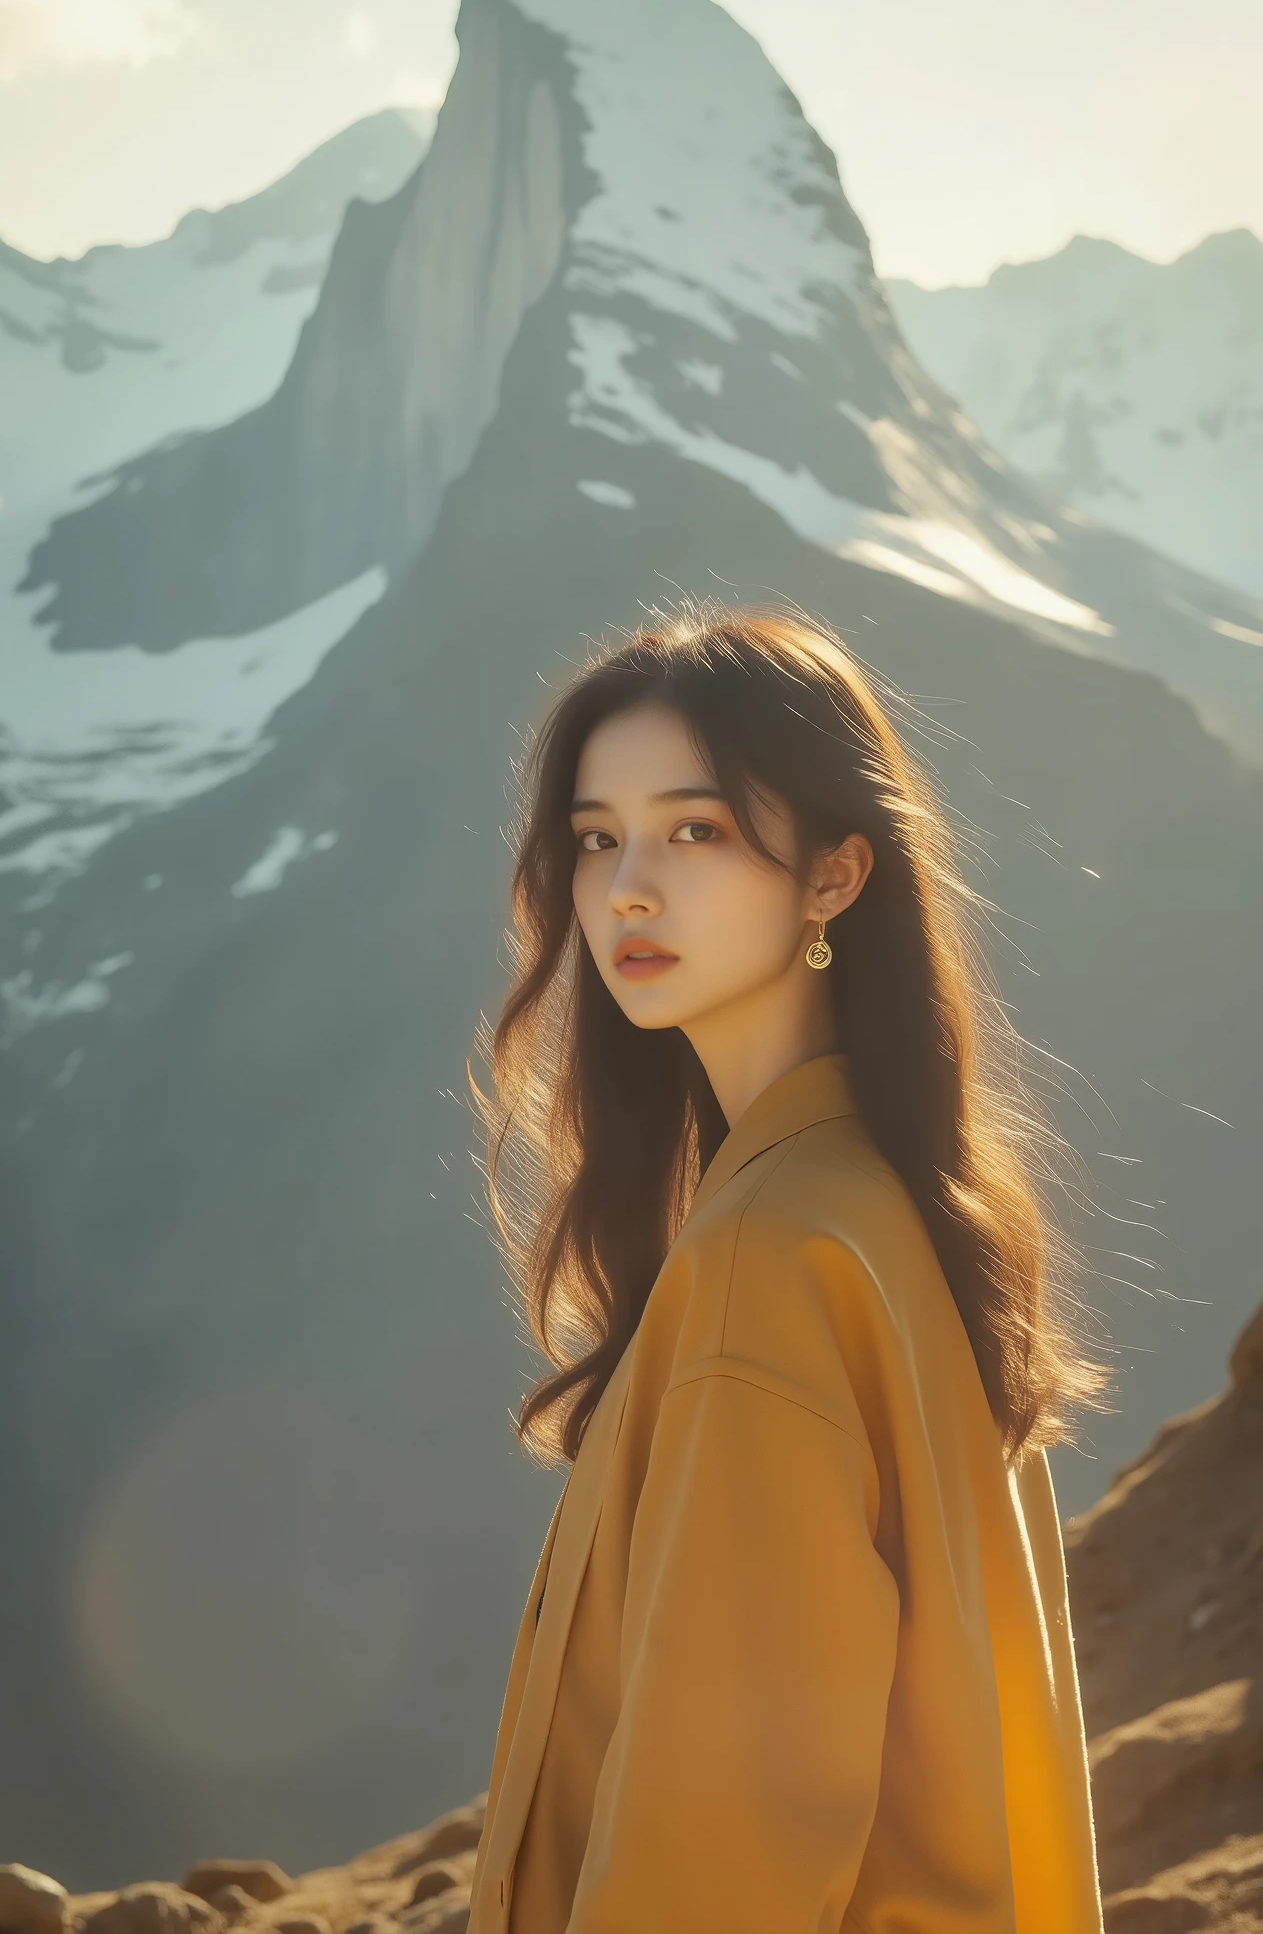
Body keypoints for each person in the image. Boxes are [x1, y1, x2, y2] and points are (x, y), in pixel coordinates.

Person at [468, 602, 1106, 1933]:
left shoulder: (770, 1253)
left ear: (835, 875)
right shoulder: (889, 1206)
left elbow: (725, 1847)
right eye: (597, 841)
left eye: (694, 831)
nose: (628, 888)